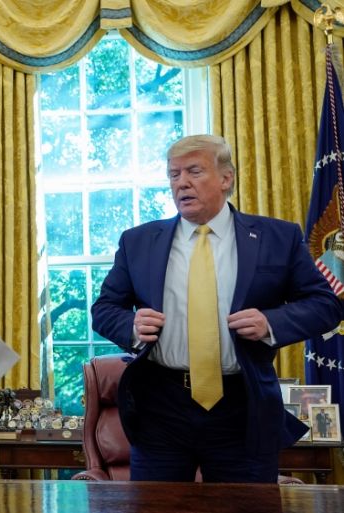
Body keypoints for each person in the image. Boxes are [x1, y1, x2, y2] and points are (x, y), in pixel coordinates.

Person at [91, 134, 342, 483]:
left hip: (243, 406)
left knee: (246, 506)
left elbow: (326, 305)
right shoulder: (138, 241)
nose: (181, 183)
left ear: (226, 178)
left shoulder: (278, 237)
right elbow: (104, 309)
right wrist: (130, 325)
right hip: (161, 408)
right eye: (174, 174)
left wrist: (270, 322)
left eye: (194, 171)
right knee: (157, 507)